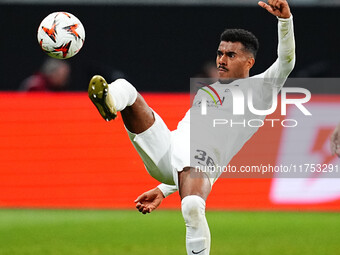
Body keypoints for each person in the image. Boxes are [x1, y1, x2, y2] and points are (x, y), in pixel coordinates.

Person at [88, 1, 295, 254]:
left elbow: (286, 61)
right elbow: (184, 143)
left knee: (192, 207)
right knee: (126, 88)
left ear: (249, 62)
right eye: (220, 53)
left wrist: (285, 21)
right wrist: (164, 189)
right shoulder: (207, 91)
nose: (221, 60)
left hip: (202, 163)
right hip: (170, 152)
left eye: (231, 55)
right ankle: (110, 103)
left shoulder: (261, 89)